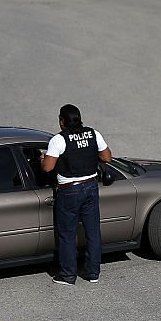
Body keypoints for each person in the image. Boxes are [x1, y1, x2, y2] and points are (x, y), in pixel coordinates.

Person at [41, 104, 112, 285]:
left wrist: (42, 159)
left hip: (69, 191)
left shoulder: (59, 140)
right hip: (91, 187)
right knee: (93, 232)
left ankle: (68, 275)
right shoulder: (93, 134)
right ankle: (93, 273)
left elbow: (48, 168)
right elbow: (107, 157)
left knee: (67, 234)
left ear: (62, 121)